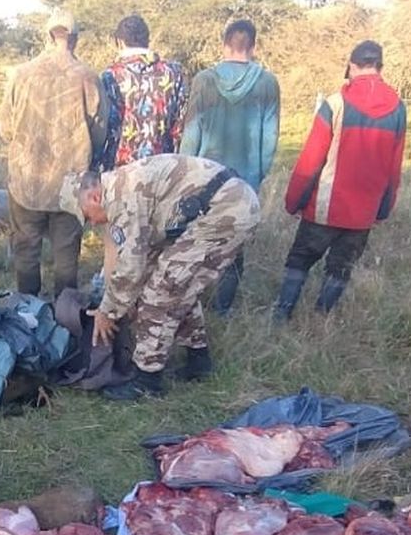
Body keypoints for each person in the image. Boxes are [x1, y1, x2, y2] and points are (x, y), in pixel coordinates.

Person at [59, 155, 261, 400]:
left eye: (87, 216)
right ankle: (199, 360)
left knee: (161, 289)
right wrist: (116, 302)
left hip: (227, 211)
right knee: (178, 286)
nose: (91, 223)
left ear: (94, 197)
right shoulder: (119, 190)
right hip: (222, 206)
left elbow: (132, 267)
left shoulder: (123, 197)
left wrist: (107, 312)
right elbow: (136, 260)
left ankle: (147, 379)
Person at [276, 40, 406, 321]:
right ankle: (322, 318)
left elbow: (311, 160)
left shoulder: (335, 104)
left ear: (351, 65)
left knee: (299, 261)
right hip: (364, 212)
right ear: (380, 67)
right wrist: (383, 210)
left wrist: (293, 202)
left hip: (325, 207)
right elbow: (394, 169)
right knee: (341, 268)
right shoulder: (398, 108)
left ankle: (281, 318)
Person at [0, 9, 108, 297]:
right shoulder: (88, 77)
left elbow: (6, 128)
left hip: (26, 180)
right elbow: (99, 133)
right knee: (66, 257)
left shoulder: (21, 75)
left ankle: (27, 315)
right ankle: (64, 321)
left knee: (26, 252)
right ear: (75, 39)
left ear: (48, 36)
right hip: (70, 183)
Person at [180, 19, 281, 316]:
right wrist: (256, 178)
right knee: (234, 247)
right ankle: (223, 309)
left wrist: (185, 174)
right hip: (244, 180)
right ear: (254, 46)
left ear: (224, 45)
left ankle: (192, 304)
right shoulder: (268, 83)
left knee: (197, 241)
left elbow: (191, 133)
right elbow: (270, 139)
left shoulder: (203, 80)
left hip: (204, 178)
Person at [99, 15, 187, 170]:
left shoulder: (110, 77)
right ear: (148, 40)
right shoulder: (173, 73)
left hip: (120, 172)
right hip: (163, 171)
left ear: (119, 41)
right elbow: (180, 127)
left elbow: (104, 129)